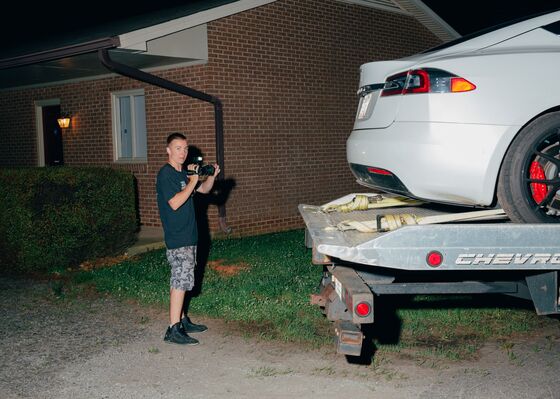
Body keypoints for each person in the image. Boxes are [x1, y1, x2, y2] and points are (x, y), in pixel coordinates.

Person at [156, 132, 220, 345]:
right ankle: (173, 329)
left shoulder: (183, 174)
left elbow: (203, 189)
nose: (183, 153)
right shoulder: (166, 174)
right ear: (168, 150)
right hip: (177, 237)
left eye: (185, 149)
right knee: (180, 281)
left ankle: (182, 320)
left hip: (189, 236)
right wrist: (193, 180)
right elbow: (174, 203)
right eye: (178, 148)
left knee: (184, 279)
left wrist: (210, 176)